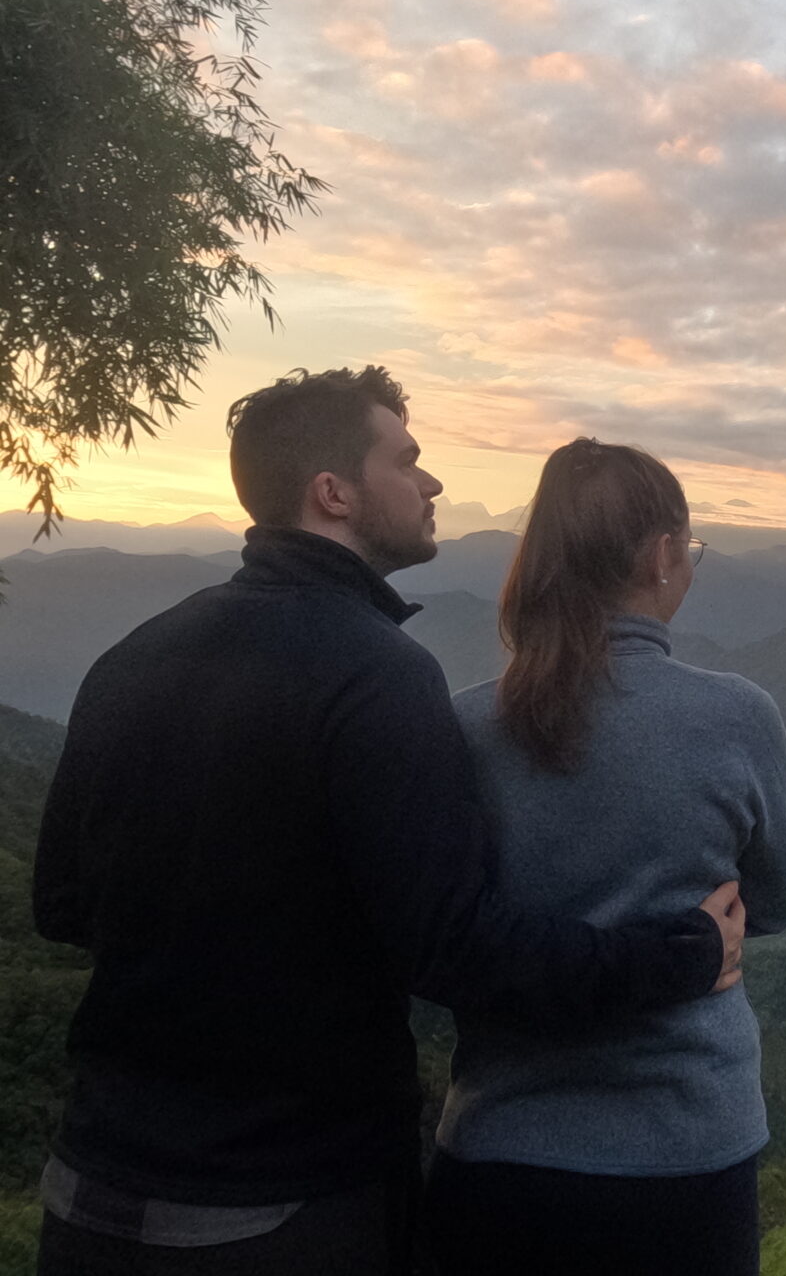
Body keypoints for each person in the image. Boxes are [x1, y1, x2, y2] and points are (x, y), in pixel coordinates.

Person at [32, 367, 748, 1275]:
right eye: (406, 461)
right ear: (332, 494)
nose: (434, 482)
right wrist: (683, 953)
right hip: (284, 1205)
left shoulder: (131, 659)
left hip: (93, 1187)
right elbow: (457, 951)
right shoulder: (375, 674)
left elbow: (60, 903)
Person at [424, 438, 786, 1276]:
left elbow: (447, 934)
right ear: (661, 555)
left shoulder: (464, 726)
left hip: (499, 1154)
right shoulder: (737, 716)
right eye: (691, 549)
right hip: (685, 1156)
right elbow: (776, 905)